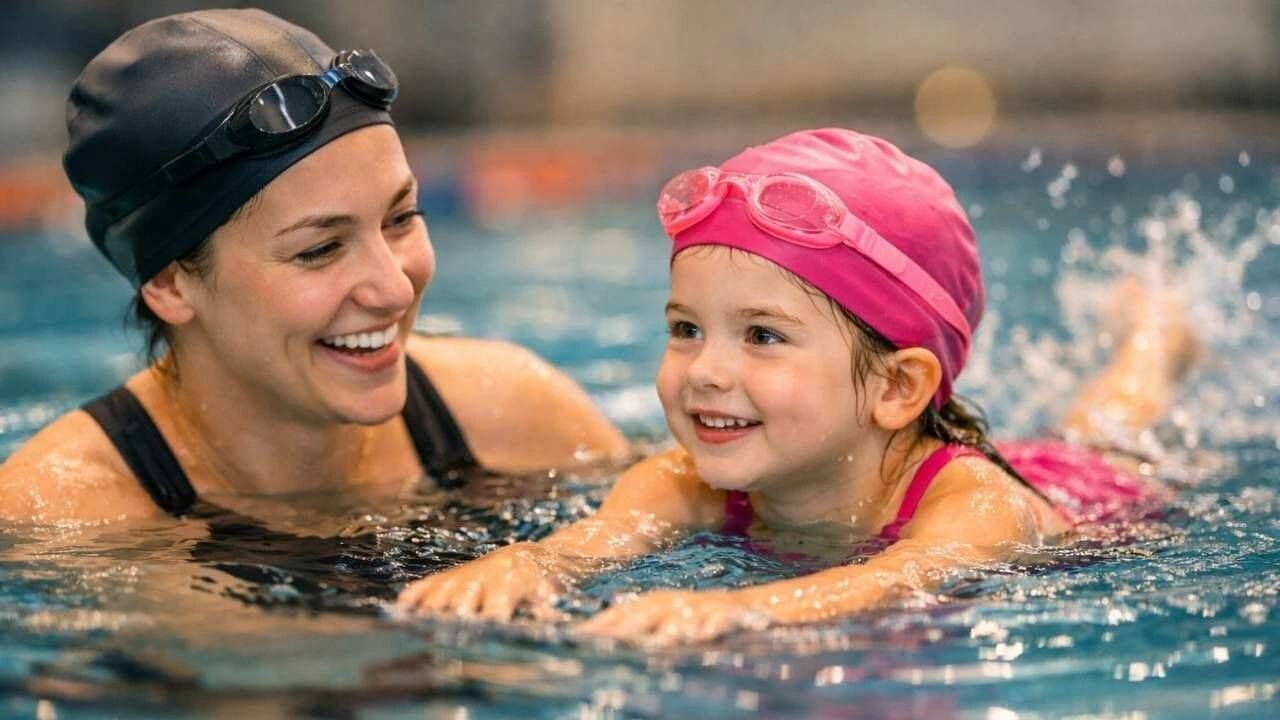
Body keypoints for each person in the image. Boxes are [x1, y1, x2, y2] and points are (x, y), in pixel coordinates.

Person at [396, 128, 1194, 643]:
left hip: (1089, 495)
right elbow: (593, 543)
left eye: (763, 336)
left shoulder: (980, 507)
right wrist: (526, 565)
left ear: (897, 387)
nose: (705, 371)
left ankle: (1153, 340)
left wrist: (741, 607)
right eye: (686, 329)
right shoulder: (684, 480)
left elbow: (897, 579)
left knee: (1109, 432)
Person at [0, 9, 629, 525]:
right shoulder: (59, 518)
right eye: (320, 249)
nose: (394, 288)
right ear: (169, 283)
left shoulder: (517, 420)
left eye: (401, 218)